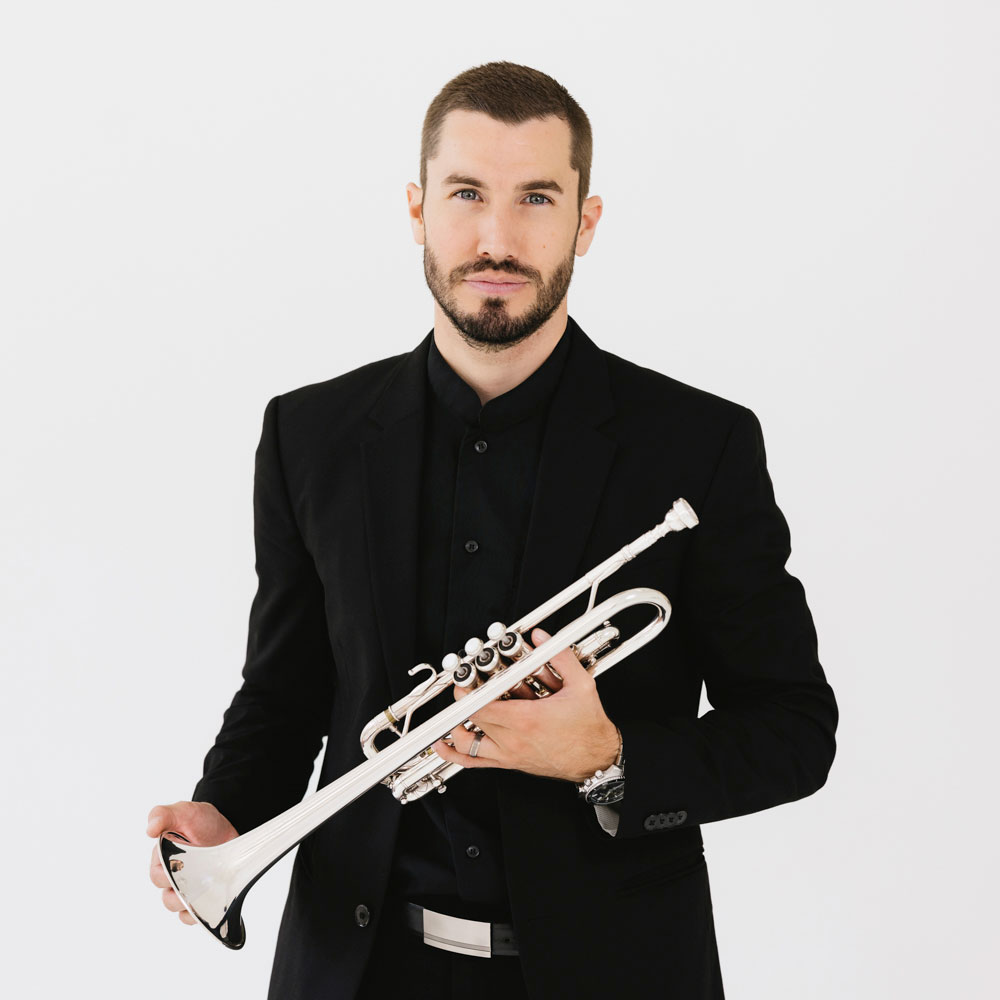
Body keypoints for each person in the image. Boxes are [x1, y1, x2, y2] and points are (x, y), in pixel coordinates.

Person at [148, 61, 838, 999]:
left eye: (537, 199)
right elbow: (286, 691)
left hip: (613, 975)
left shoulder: (698, 446)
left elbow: (795, 731)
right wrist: (226, 810)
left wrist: (608, 758)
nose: (497, 239)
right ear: (417, 208)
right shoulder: (311, 436)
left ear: (585, 222)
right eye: (467, 193)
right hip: (357, 970)